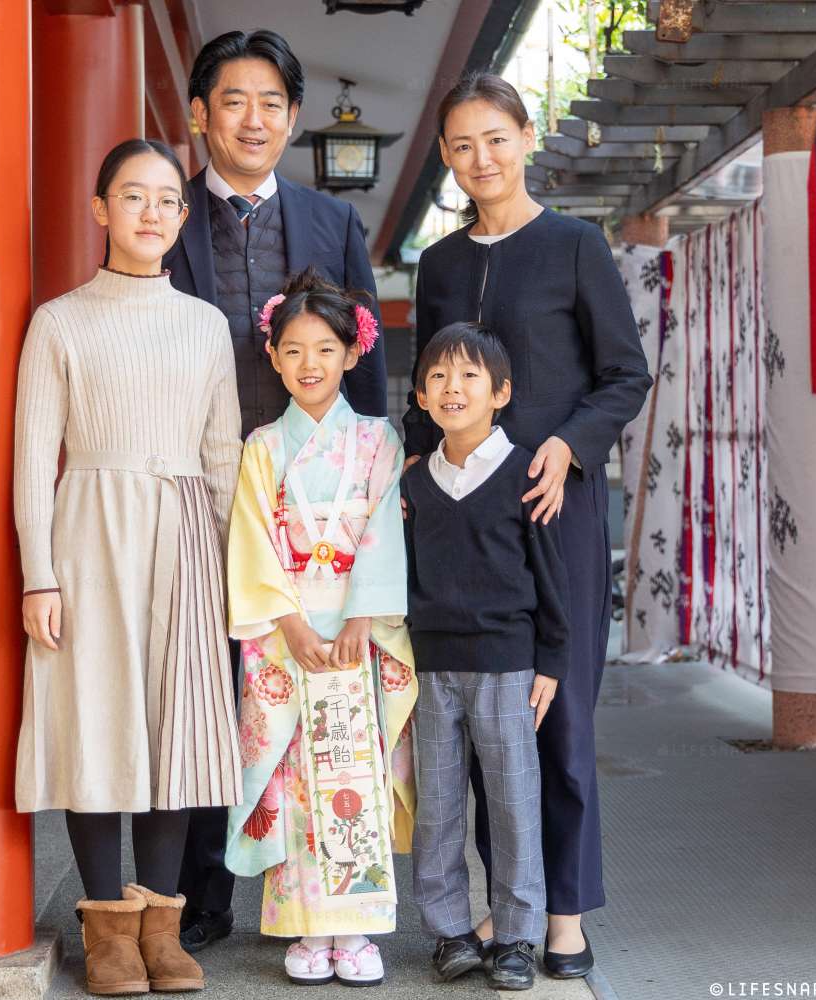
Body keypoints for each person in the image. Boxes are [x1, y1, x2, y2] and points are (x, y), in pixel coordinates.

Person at [402, 73, 652, 978]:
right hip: (462, 522)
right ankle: (492, 918)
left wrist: (566, 447)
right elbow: (428, 391)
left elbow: (625, 375)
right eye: (463, 145)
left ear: (527, 136)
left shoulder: (576, 246)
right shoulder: (439, 263)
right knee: (476, 722)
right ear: (445, 156)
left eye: (496, 139)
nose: (482, 160)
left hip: (555, 507)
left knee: (561, 720)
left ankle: (565, 920)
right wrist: (410, 468)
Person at [163, 28, 389, 954]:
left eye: (269, 104)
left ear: (293, 120)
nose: (251, 119)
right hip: (193, 492)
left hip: (314, 507)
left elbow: (367, 368)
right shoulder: (163, 217)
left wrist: (379, 482)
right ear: (197, 114)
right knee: (204, 687)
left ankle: (317, 890)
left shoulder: (331, 225)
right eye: (232, 101)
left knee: (305, 683)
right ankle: (201, 891)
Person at [13, 138, 243, 997]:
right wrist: (40, 572)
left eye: (166, 201)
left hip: (183, 531)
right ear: (101, 209)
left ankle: (161, 929)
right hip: (89, 532)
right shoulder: (61, 321)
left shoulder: (205, 326)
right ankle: (106, 930)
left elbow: (222, 455)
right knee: (99, 722)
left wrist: (229, 572)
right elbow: (35, 457)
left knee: (172, 727)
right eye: (132, 196)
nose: (151, 212)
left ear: (182, 220)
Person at [223, 268, 417, 987]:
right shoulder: (263, 447)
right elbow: (250, 540)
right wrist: (290, 625)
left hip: (359, 628)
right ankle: (305, 926)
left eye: (325, 349)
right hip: (288, 631)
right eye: (295, 350)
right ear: (273, 357)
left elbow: (385, 540)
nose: (310, 364)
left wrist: (362, 619)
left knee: (355, 767)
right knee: (298, 775)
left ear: (353, 352)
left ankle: (360, 930)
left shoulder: (377, 441)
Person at [403, 321, 570, 990]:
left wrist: (552, 661)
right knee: (437, 806)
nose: (453, 388)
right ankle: (449, 933)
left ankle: (517, 938)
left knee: (512, 801)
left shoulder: (524, 471)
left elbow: (551, 575)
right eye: (439, 377)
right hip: (431, 667)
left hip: (508, 666)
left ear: (500, 392)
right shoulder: (414, 485)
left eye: (470, 376)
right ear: (419, 395)